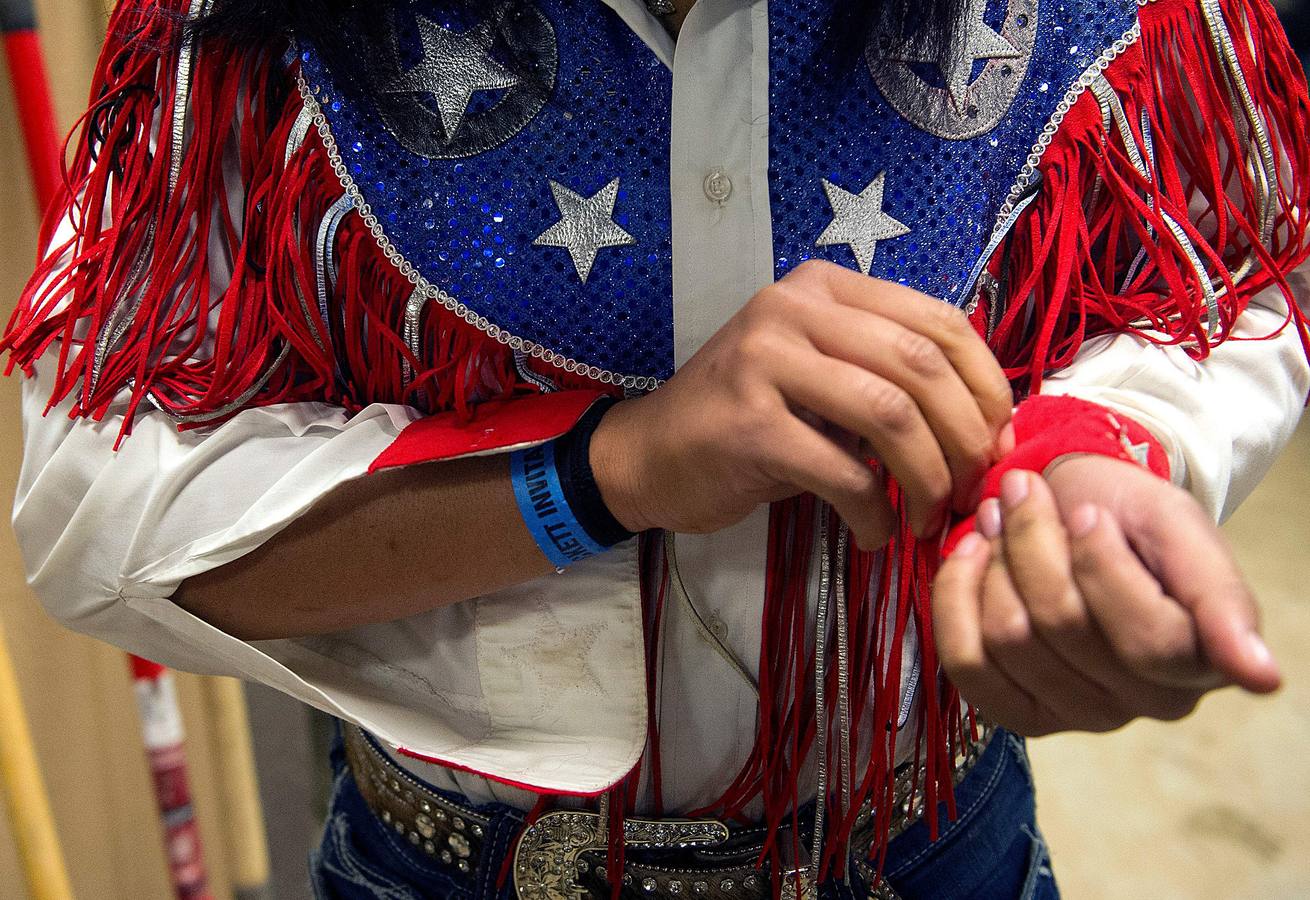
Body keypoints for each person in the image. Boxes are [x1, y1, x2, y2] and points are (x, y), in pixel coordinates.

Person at [4, 0, 1307, 896]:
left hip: (928, 837)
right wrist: (605, 473)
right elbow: (105, 518)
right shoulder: (250, 36)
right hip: (461, 858)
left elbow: (1229, 265)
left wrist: (1102, 451)